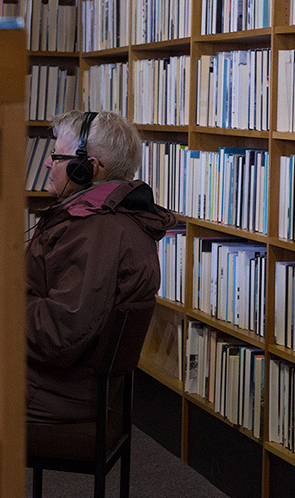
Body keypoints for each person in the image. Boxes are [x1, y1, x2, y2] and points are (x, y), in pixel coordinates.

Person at [26, 110, 176, 423]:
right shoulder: (105, 222)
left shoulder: (97, 233)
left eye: (56, 155)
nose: (47, 163)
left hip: (51, 391)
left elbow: (57, 336)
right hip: (63, 385)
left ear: (86, 168)